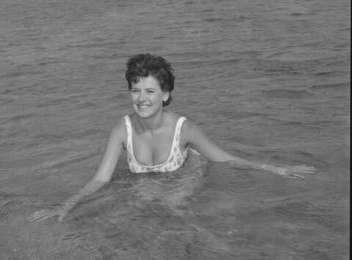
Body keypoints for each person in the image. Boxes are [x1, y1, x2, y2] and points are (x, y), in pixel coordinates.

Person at [29, 53, 315, 222]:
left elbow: (224, 158)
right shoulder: (122, 129)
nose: (141, 99)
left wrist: (277, 169)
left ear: (165, 94)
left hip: (184, 179)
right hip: (148, 186)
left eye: (150, 91)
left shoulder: (184, 128)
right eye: (135, 90)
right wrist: (66, 205)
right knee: (135, 209)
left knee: (174, 212)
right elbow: (102, 179)